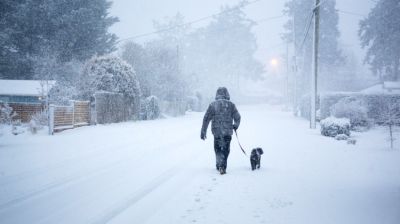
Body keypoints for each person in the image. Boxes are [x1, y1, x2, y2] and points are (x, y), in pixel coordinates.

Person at [200, 87, 241, 175]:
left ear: (217, 94)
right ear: (227, 94)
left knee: (217, 148)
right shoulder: (231, 105)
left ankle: (219, 163)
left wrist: (203, 131)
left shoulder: (213, 105)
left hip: (217, 132)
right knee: (226, 149)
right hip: (227, 132)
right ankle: (222, 165)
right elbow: (238, 117)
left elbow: (206, 119)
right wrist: (235, 126)